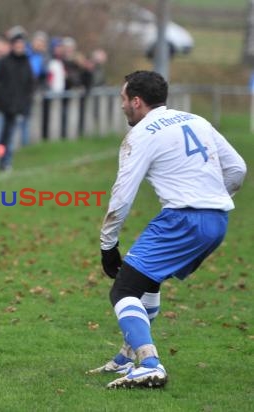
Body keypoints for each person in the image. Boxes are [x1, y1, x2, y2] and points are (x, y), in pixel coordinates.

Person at [91, 70, 247, 388]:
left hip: (183, 219)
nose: (121, 106)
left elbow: (122, 195)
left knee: (123, 290)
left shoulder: (141, 134)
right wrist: (214, 199)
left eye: (123, 99)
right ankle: (126, 358)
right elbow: (238, 168)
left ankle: (149, 364)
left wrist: (108, 245)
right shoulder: (195, 120)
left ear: (136, 101)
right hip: (217, 221)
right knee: (148, 281)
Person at [0, 32, 34, 172]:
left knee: (9, 139)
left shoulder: (26, 64)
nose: (19, 48)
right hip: (1, 106)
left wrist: (23, 104)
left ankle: (6, 162)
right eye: (17, 45)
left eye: (21, 45)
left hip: (16, 108)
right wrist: (4, 98)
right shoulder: (3, 62)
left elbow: (29, 86)